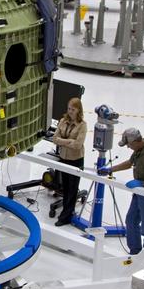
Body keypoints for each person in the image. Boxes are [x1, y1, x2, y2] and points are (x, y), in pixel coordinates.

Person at [106, 128, 144, 254]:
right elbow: (130, 163)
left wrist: (143, 183)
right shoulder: (139, 148)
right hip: (139, 192)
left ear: (136, 141)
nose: (128, 148)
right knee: (131, 220)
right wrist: (111, 169)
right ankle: (135, 251)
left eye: (128, 145)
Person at [48, 97, 87, 226]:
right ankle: (66, 211)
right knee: (65, 187)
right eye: (69, 108)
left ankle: (66, 215)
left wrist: (63, 142)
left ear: (78, 110)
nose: (70, 111)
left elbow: (78, 145)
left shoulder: (82, 125)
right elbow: (55, 138)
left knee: (72, 188)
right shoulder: (63, 121)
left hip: (76, 160)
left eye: (73, 109)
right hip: (63, 158)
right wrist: (69, 141)